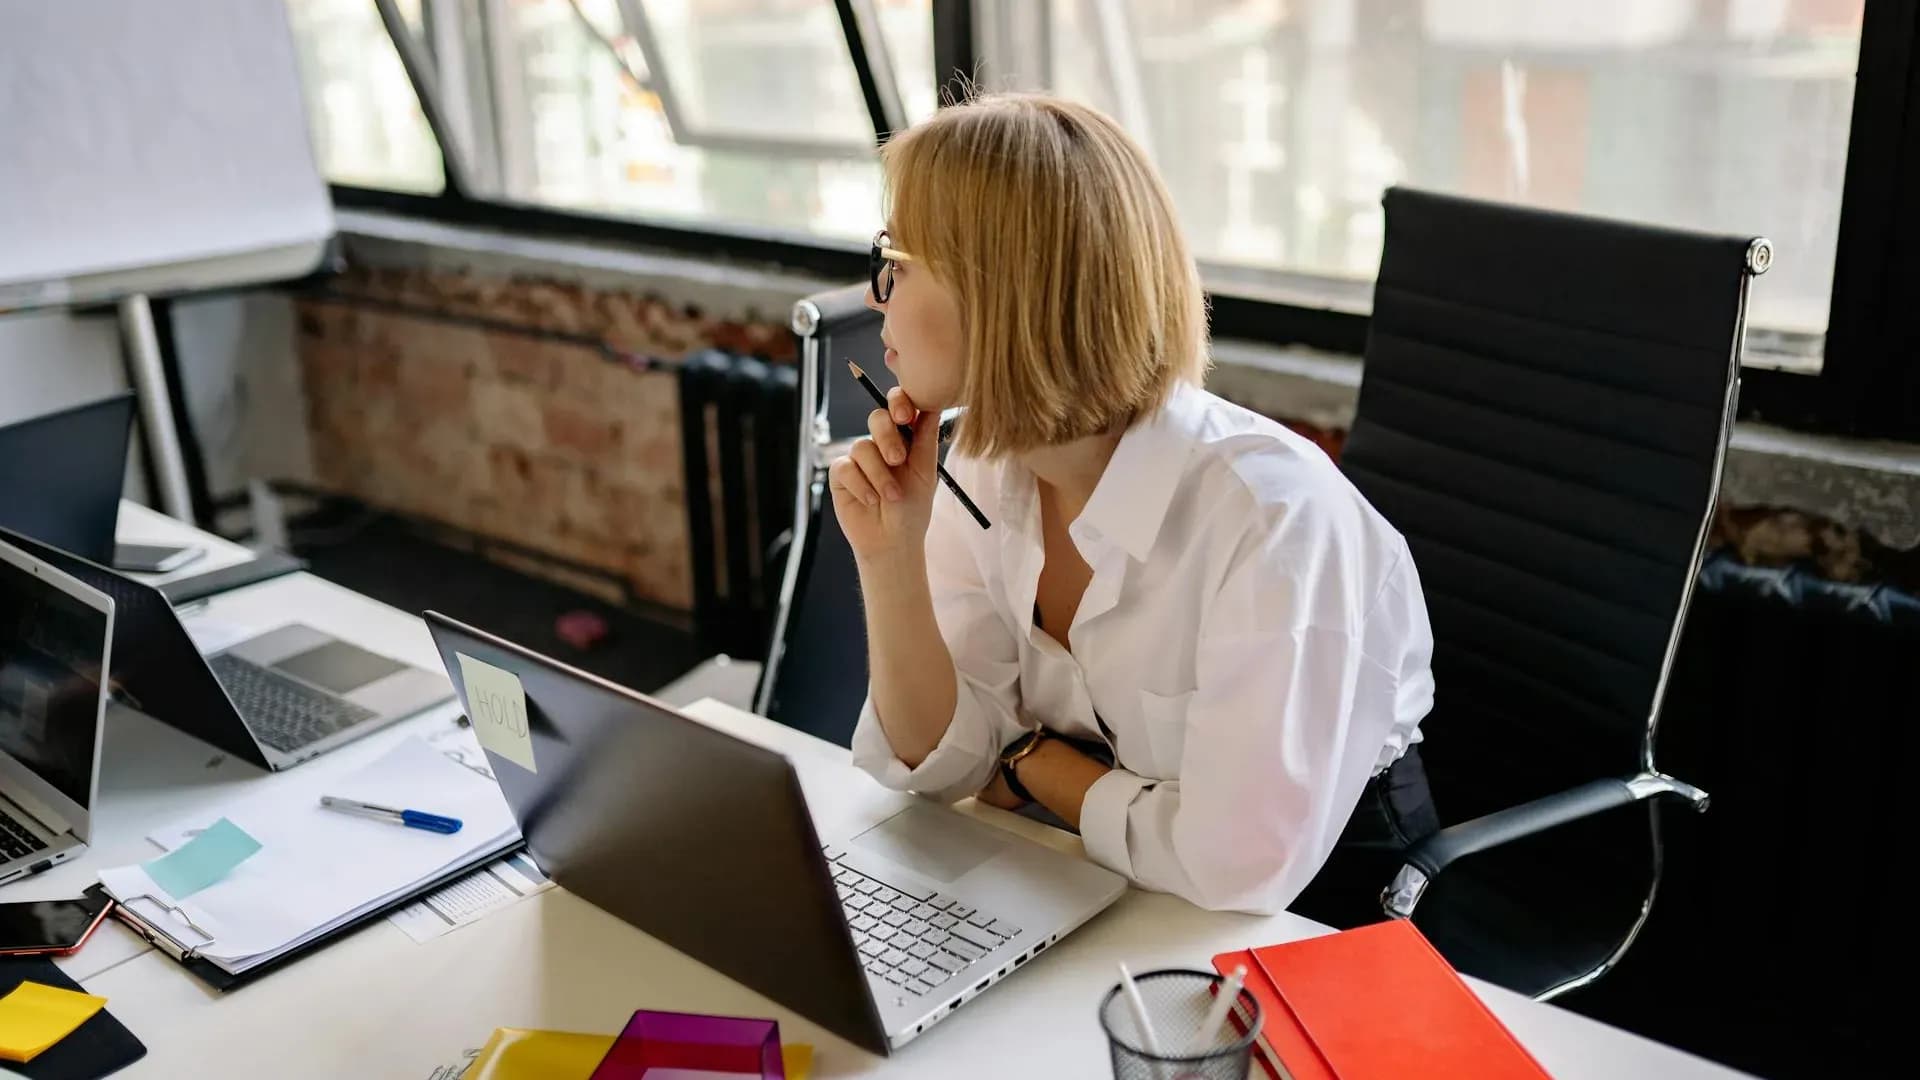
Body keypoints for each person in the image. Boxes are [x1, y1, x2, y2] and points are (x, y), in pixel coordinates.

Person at [830, 92, 1437, 921]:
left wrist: (1031, 761)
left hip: (1318, 915)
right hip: (1096, 875)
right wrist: (890, 558)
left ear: (1003, 291)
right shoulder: (986, 462)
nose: (877, 297)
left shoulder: (1273, 524)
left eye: (896, 261)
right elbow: (941, 765)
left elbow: (1234, 865)